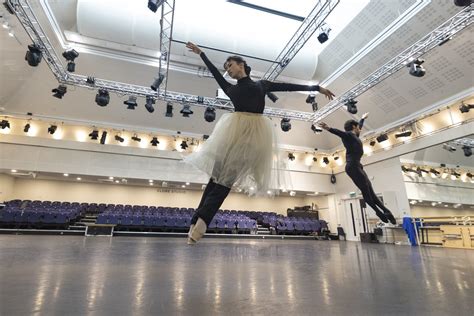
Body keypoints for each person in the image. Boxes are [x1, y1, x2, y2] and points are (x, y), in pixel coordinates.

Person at [184, 41, 336, 244]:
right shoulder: (229, 87)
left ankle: (202, 222)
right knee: (213, 180)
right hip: (230, 134)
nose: (227, 70)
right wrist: (201, 53)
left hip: (251, 138)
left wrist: (316, 87)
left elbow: (289, 87)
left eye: (230, 65)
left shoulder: (262, 85)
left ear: (241, 64)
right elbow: (214, 72)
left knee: (224, 182)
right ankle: (196, 221)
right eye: (226, 68)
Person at [319, 113, 397, 224]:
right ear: (353, 127)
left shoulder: (354, 136)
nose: (360, 129)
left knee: (371, 191)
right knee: (366, 191)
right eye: (358, 127)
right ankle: (378, 211)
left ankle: (385, 211)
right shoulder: (349, 135)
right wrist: (328, 128)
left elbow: (359, 126)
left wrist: (362, 119)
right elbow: (340, 133)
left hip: (357, 166)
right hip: (352, 167)